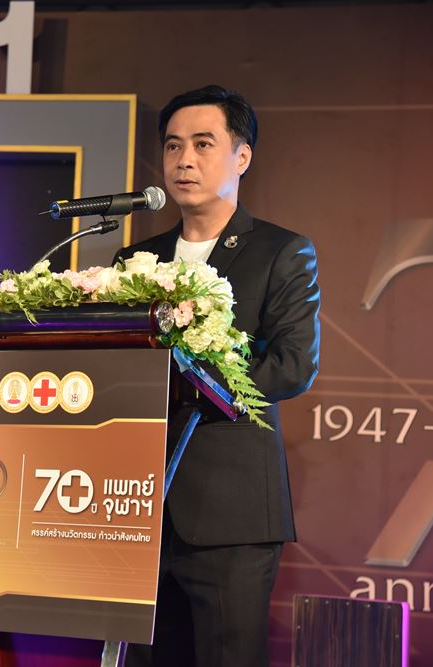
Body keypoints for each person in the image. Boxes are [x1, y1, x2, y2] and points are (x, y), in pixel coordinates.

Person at [115, 85, 320, 667]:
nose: (184, 159)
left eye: (203, 144)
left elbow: (293, 365)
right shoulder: (134, 261)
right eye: (173, 145)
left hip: (233, 513)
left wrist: (196, 380)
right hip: (136, 507)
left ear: (242, 156)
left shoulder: (281, 252)